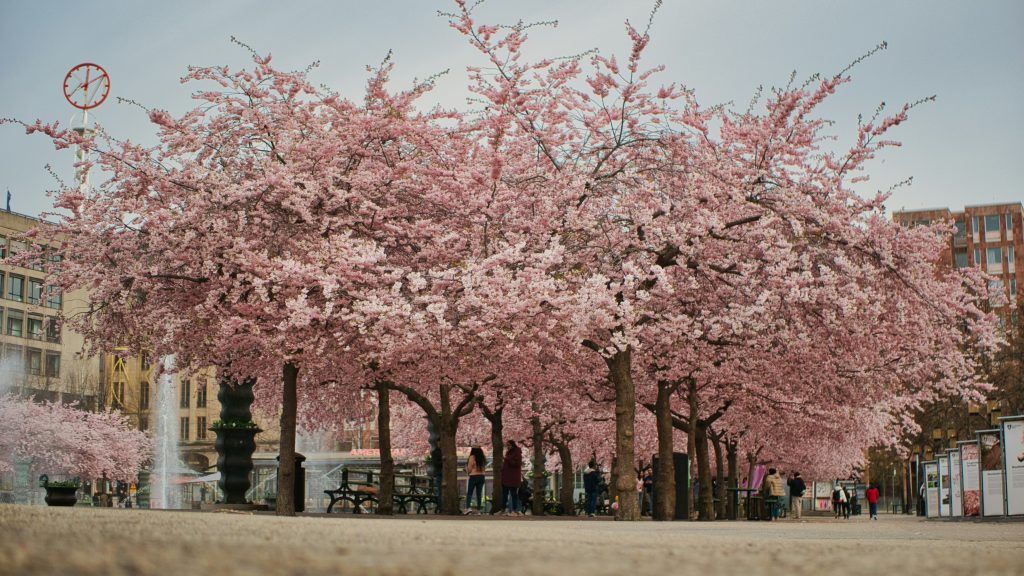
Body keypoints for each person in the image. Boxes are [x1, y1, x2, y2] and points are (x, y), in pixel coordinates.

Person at [501, 440, 523, 515]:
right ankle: (503, 509)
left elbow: (517, 464)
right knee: (504, 494)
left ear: (513, 445)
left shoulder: (517, 452)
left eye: (509, 445)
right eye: (507, 445)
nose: (508, 447)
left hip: (513, 477)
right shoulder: (508, 452)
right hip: (506, 477)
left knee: (513, 494)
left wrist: (507, 459)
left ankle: (514, 509)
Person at [465, 446, 487, 514]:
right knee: (479, 494)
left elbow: (469, 469)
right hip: (481, 476)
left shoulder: (472, 457)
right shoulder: (483, 457)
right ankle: (479, 510)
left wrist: (465, 470)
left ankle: (468, 507)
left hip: (473, 476)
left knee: (469, 493)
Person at [430, 445, 443, 511]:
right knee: (440, 491)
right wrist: (443, 461)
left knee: (440, 491)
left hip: (442, 473)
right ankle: (440, 506)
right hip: (439, 473)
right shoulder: (435, 452)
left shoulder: (444, 451)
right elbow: (435, 463)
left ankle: (441, 506)